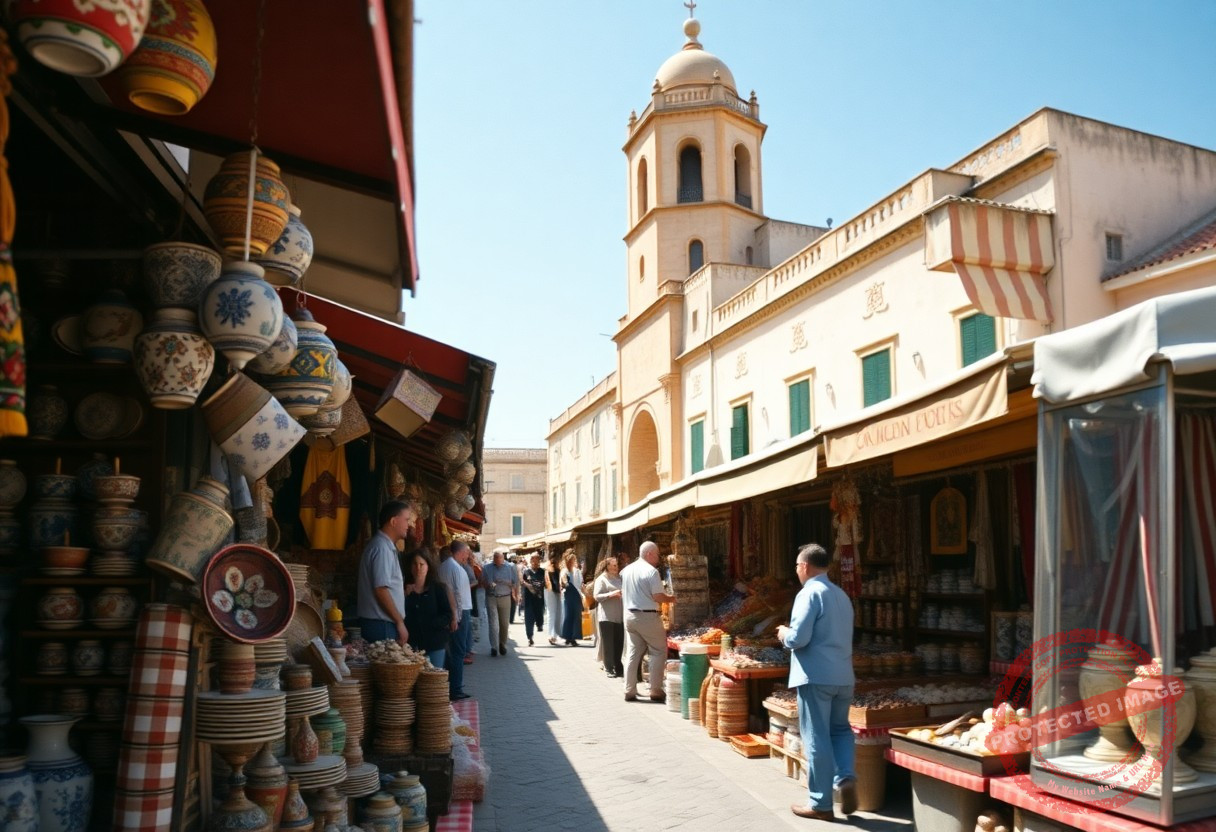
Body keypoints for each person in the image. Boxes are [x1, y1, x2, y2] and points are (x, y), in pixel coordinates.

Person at [776, 543, 857, 821]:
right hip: (844, 676)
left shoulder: (809, 593)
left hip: (816, 676)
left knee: (817, 736)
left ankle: (821, 803)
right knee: (841, 730)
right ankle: (846, 778)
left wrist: (784, 633)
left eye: (797, 566)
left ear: (805, 566)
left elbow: (799, 639)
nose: (797, 571)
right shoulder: (841, 595)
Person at [355, 500, 417, 644]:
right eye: (406, 520)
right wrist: (399, 622)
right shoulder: (382, 548)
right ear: (394, 521)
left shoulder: (385, 546)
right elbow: (381, 589)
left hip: (382, 623)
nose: (409, 525)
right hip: (381, 624)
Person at [620, 541, 675, 702]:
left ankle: (629, 689)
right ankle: (655, 690)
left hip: (630, 615)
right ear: (649, 554)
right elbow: (658, 596)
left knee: (633, 652)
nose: (658, 558)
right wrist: (671, 598)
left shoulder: (627, 570)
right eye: (657, 554)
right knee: (658, 651)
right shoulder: (651, 572)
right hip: (647, 616)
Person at [403, 548, 453, 668]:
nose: (418, 568)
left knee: (433, 679)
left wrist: (434, 623)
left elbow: (447, 614)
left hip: (435, 643)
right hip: (412, 645)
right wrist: (404, 595)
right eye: (415, 564)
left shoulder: (437, 588)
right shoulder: (404, 589)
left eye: (422, 564)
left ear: (428, 566)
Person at [439, 542, 474, 701]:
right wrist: (456, 617)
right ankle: (456, 688)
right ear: (461, 552)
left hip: (455, 612)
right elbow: (457, 595)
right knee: (458, 652)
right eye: (467, 552)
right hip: (460, 613)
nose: (468, 556)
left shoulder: (447, 566)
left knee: (453, 652)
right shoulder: (455, 568)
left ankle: (451, 686)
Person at [481, 549, 519, 656]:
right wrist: (488, 584)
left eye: (499, 558)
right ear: (493, 559)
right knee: (493, 623)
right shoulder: (487, 567)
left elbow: (515, 583)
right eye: (495, 558)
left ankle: (502, 644)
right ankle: (494, 646)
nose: (497, 560)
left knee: (504, 623)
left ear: (503, 558)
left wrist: (510, 586)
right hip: (491, 597)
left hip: (505, 597)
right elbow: (482, 582)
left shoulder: (511, 567)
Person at [593, 556, 624, 677]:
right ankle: (608, 668)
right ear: (607, 566)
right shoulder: (601, 579)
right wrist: (612, 594)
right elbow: (597, 596)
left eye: (617, 565)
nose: (616, 568)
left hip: (619, 615)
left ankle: (618, 667)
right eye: (614, 565)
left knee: (619, 643)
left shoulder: (619, 578)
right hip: (606, 616)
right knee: (608, 644)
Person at [558, 550, 584, 646]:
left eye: (573, 560)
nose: (572, 562)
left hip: (577, 594)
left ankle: (574, 637)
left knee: (577, 616)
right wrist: (565, 583)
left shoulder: (577, 572)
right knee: (568, 616)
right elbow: (563, 582)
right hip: (568, 595)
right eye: (571, 560)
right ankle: (567, 636)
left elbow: (581, 583)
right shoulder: (564, 571)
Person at [520, 552, 546, 646]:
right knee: (529, 618)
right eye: (533, 560)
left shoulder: (543, 571)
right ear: (530, 561)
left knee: (539, 614)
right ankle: (530, 637)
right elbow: (522, 582)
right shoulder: (526, 572)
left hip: (539, 598)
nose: (535, 562)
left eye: (537, 560)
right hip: (529, 598)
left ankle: (539, 624)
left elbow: (546, 582)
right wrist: (528, 587)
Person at [543, 550, 563, 646]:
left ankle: (554, 635)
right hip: (550, 591)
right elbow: (553, 582)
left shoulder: (556, 568)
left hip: (555, 591)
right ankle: (551, 635)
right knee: (552, 612)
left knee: (557, 612)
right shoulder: (549, 568)